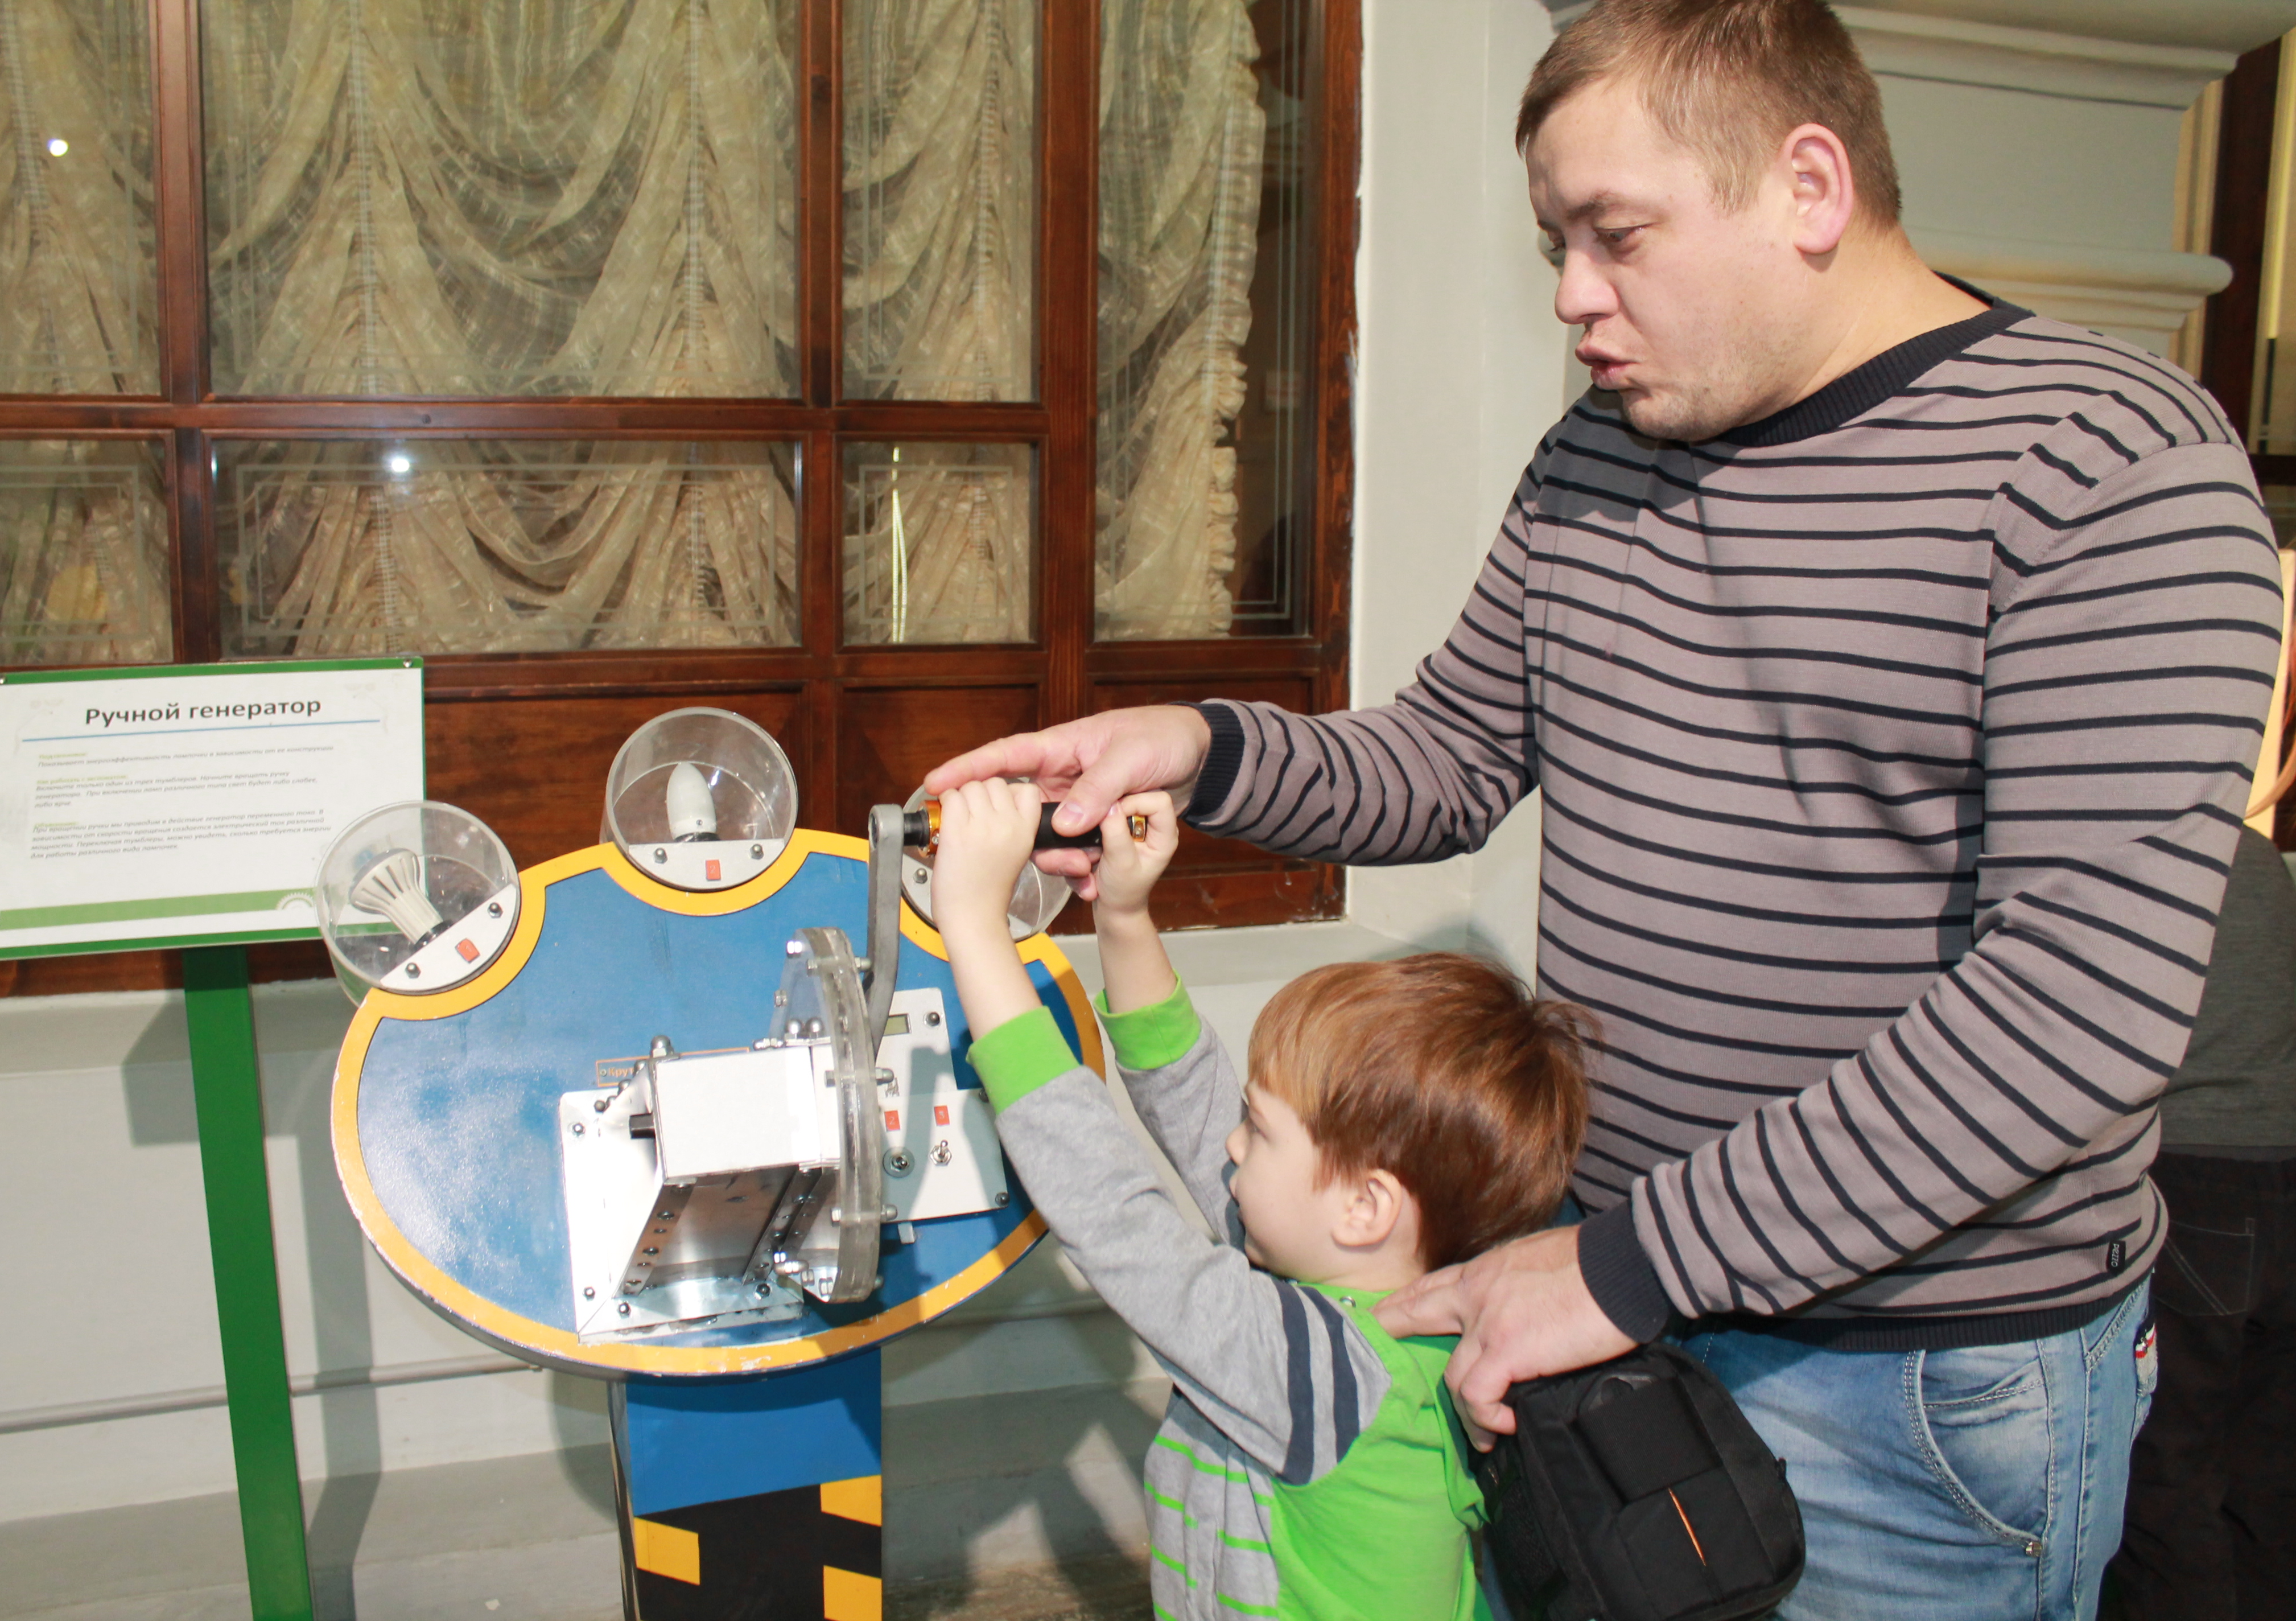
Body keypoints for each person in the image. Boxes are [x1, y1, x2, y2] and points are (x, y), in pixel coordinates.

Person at [925, 3, 2283, 1616]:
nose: (1573, 294)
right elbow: (1446, 757)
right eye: (1554, 243)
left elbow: (2070, 1017)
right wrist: (1198, 749)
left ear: (1810, 185)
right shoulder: (1603, 454)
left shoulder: (2111, 466)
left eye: (1616, 236)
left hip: (1907, 1384)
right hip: (1600, 1300)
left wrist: (1629, 1267)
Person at [926, 776, 1590, 1621]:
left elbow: (1114, 1216)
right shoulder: (1363, 1299)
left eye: (1261, 1130)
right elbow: (1192, 1097)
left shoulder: (1327, 1377)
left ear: (1365, 1209)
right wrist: (1122, 915)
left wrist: (976, 926)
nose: (1232, 1143)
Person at [2107, 607, 2296, 1619]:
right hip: (2284, 1170)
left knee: (2166, 1476)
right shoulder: (2261, 863)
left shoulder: (2151, 860)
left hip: (2193, 1177)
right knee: (2267, 1474)